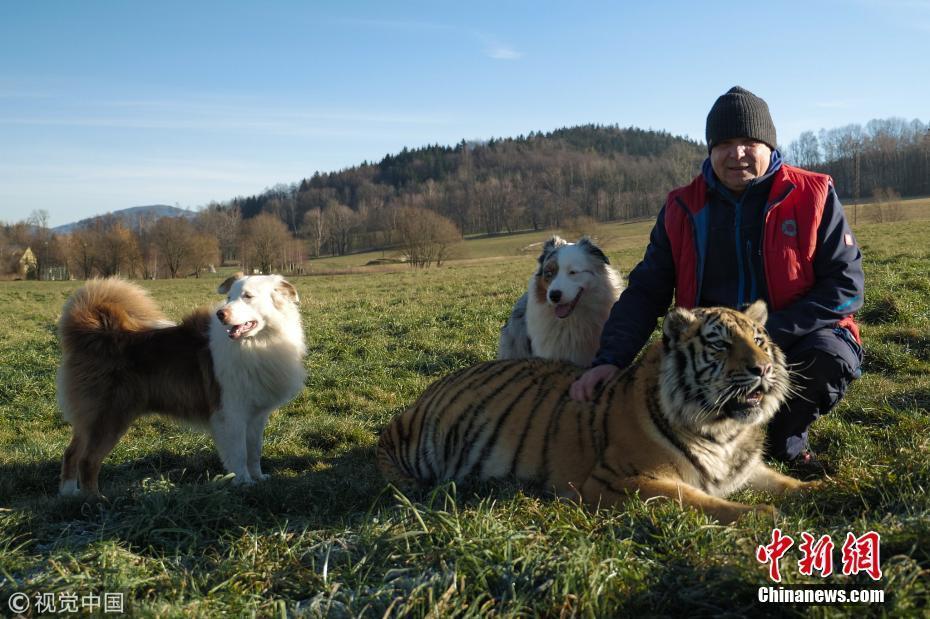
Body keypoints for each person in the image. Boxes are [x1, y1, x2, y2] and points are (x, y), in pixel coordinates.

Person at [569, 86, 864, 464]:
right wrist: (610, 358)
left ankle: (785, 441)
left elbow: (846, 287)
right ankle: (706, 441)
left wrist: (767, 333)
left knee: (830, 356)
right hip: (712, 349)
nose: (736, 153)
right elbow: (646, 290)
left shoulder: (813, 194)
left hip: (793, 334)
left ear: (769, 146)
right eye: (724, 143)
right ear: (710, 149)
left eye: (748, 141)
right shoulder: (682, 206)